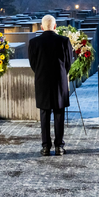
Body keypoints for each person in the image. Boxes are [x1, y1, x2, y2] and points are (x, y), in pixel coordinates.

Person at [28, 15, 73, 156]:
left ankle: (45, 147)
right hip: (59, 81)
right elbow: (68, 63)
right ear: (55, 26)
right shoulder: (64, 41)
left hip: (42, 82)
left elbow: (33, 64)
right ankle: (59, 146)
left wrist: (41, 73)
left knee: (44, 114)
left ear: (42, 27)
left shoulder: (34, 42)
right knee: (59, 114)